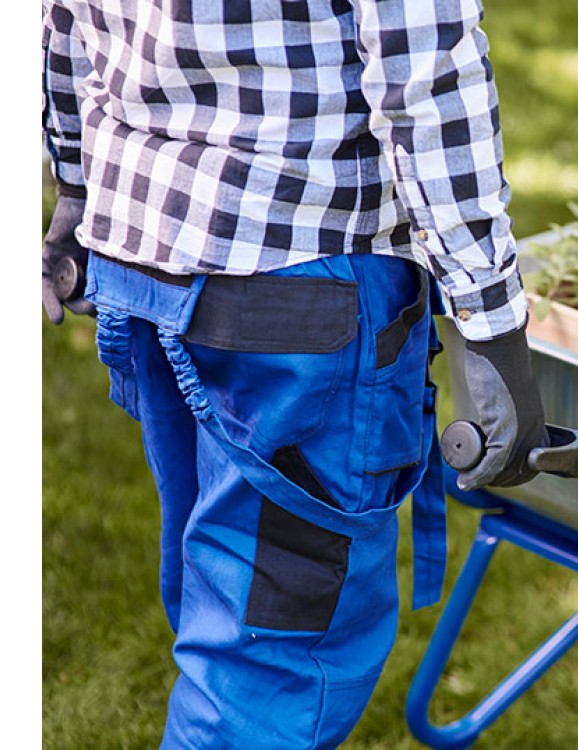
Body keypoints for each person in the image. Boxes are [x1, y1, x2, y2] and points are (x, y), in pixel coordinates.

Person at [41, 0, 548, 746]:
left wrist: (77, 193)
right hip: (298, 290)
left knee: (232, 604)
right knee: (270, 662)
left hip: (144, 258)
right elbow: (427, 72)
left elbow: (62, 24)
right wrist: (493, 321)